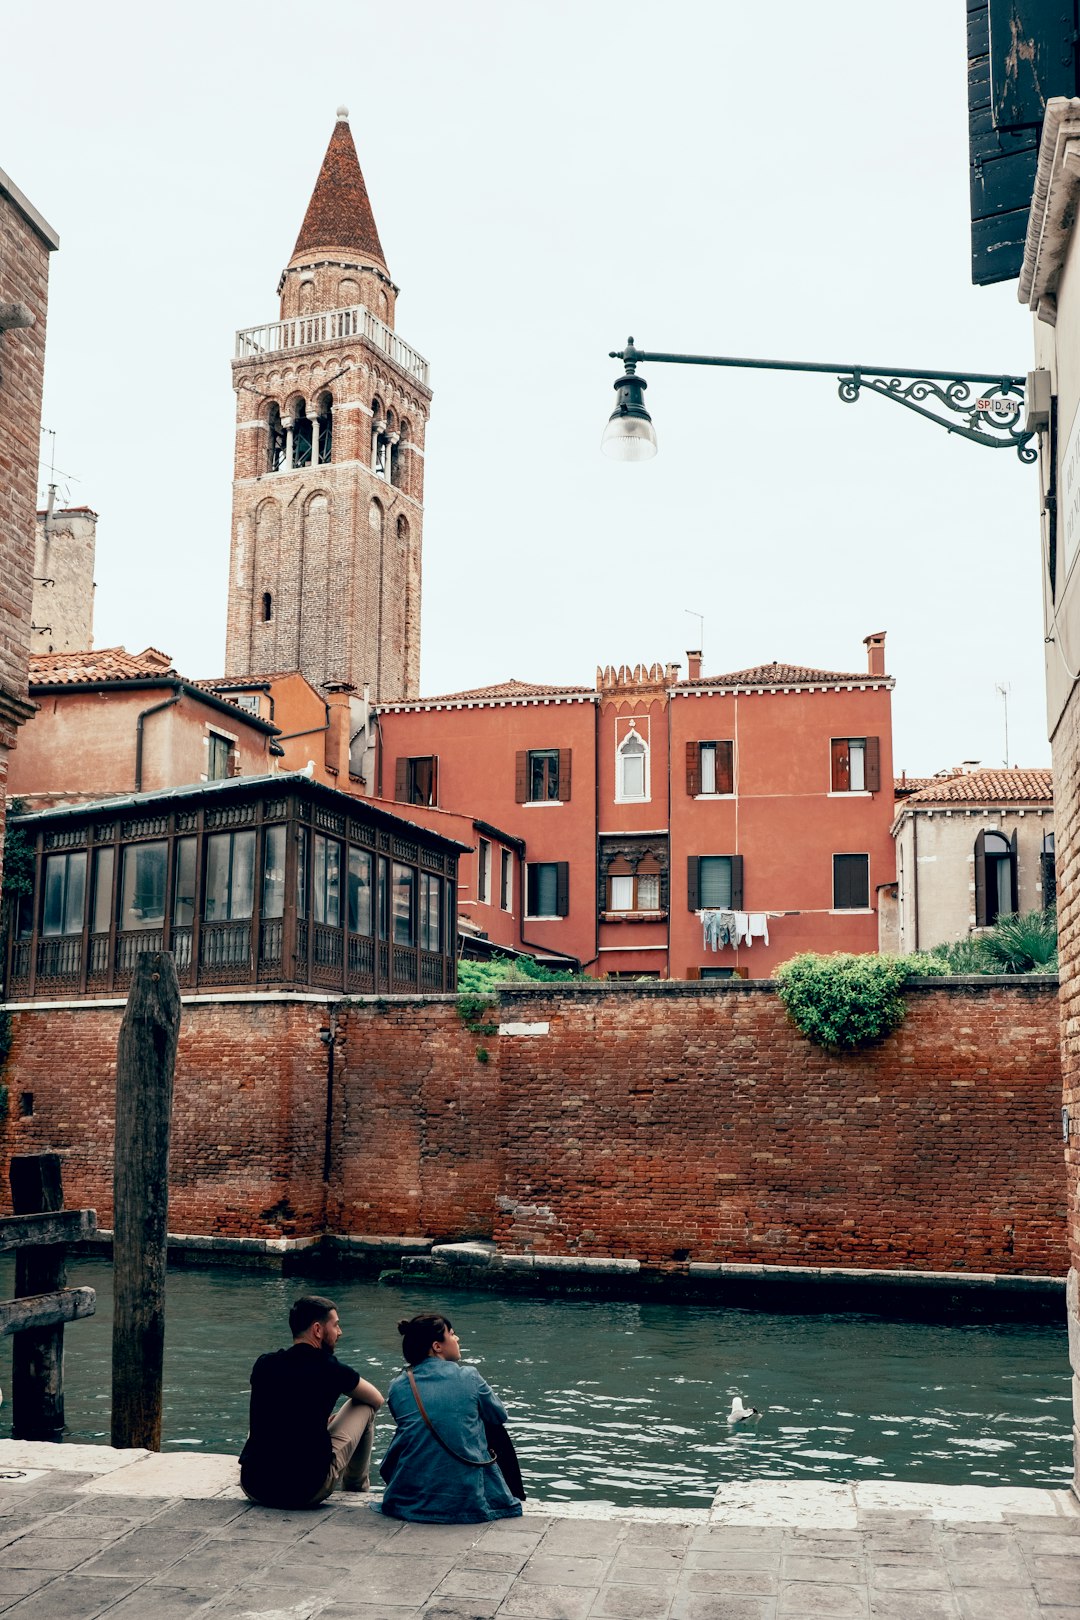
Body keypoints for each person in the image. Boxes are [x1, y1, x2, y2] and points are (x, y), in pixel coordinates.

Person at [239, 1294, 384, 1509]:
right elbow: (377, 1399)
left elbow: (288, 1403)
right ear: (317, 1330)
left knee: (267, 1409)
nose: (339, 1332)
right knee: (364, 1405)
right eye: (336, 1326)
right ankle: (356, 1488)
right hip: (305, 1490)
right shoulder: (331, 1369)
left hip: (254, 1486)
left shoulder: (264, 1363)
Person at [377, 1312, 523, 1523]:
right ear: (437, 1346)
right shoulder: (470, 1376)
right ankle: (515, 1494)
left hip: (408, 1497)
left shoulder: (398, 1385)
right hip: (467, 1500)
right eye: (452, 1334)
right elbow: (499, 1415)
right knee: (493, 1427)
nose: (457, 1339)